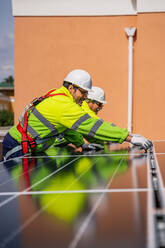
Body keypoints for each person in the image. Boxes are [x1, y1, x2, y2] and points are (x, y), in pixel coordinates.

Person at [2, 69, 152, 160]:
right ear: (72, 88)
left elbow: (67, 129)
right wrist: (130, 137)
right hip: (18, 146)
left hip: (27, 145)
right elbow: (92, 126)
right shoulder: (63, 105)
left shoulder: (61, 98)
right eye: (83, 92)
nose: (86, 97)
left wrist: (81, 144)